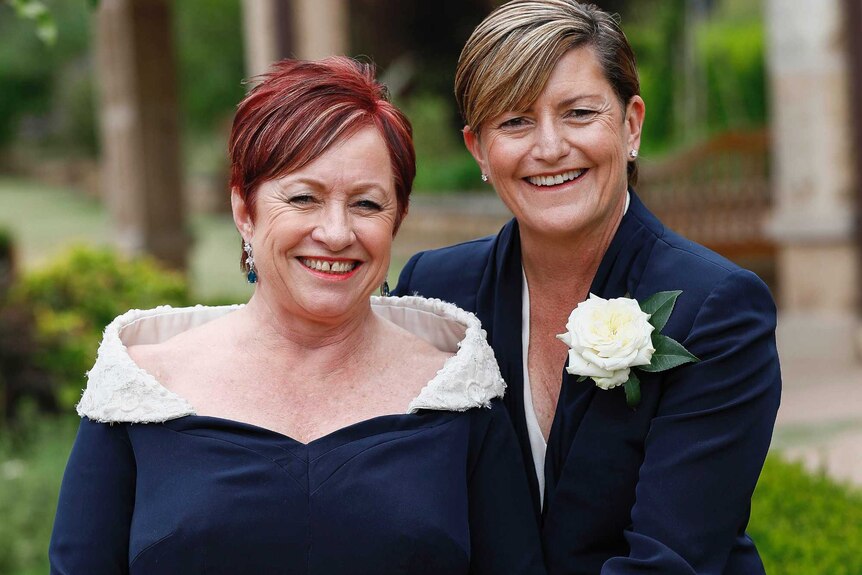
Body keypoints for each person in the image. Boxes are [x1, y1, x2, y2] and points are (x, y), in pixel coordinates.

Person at [49, 57, 546, 575]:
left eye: (367, 204)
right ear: (244, 209)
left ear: (398, 216)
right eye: (304, 198)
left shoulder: (460, 390)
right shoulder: (140, 389)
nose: (336, 233)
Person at [393, 1, 782, 573]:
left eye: (578, 113)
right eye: (514, 121)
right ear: (478, 149)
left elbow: (667, 561)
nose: (549, 147)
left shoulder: (718, 310)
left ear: (631, 125)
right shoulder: (435, 293)